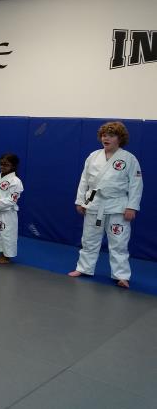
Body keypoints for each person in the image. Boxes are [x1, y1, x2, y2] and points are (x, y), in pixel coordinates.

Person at [69, 122, 143, 288]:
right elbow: (84, 180)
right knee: (89, 239)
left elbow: (136, 184)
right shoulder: (93, 156)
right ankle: (84, 268)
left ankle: (121, 276)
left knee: (119, 242)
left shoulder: (129, 159)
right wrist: (80, 201)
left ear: (120, 139)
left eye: (111, 135)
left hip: (118, 206)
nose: (106, 138)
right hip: (94, 203)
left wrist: (132, 206)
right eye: (104, 135)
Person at [0, 154, 24, 264]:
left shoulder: (16, 181)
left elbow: (12, 200)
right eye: (1, 164)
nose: (2, 166)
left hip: (7, 213)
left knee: (6, 234)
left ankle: (6, 257)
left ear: (13, 166)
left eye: (6, 164)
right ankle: (1, 254)